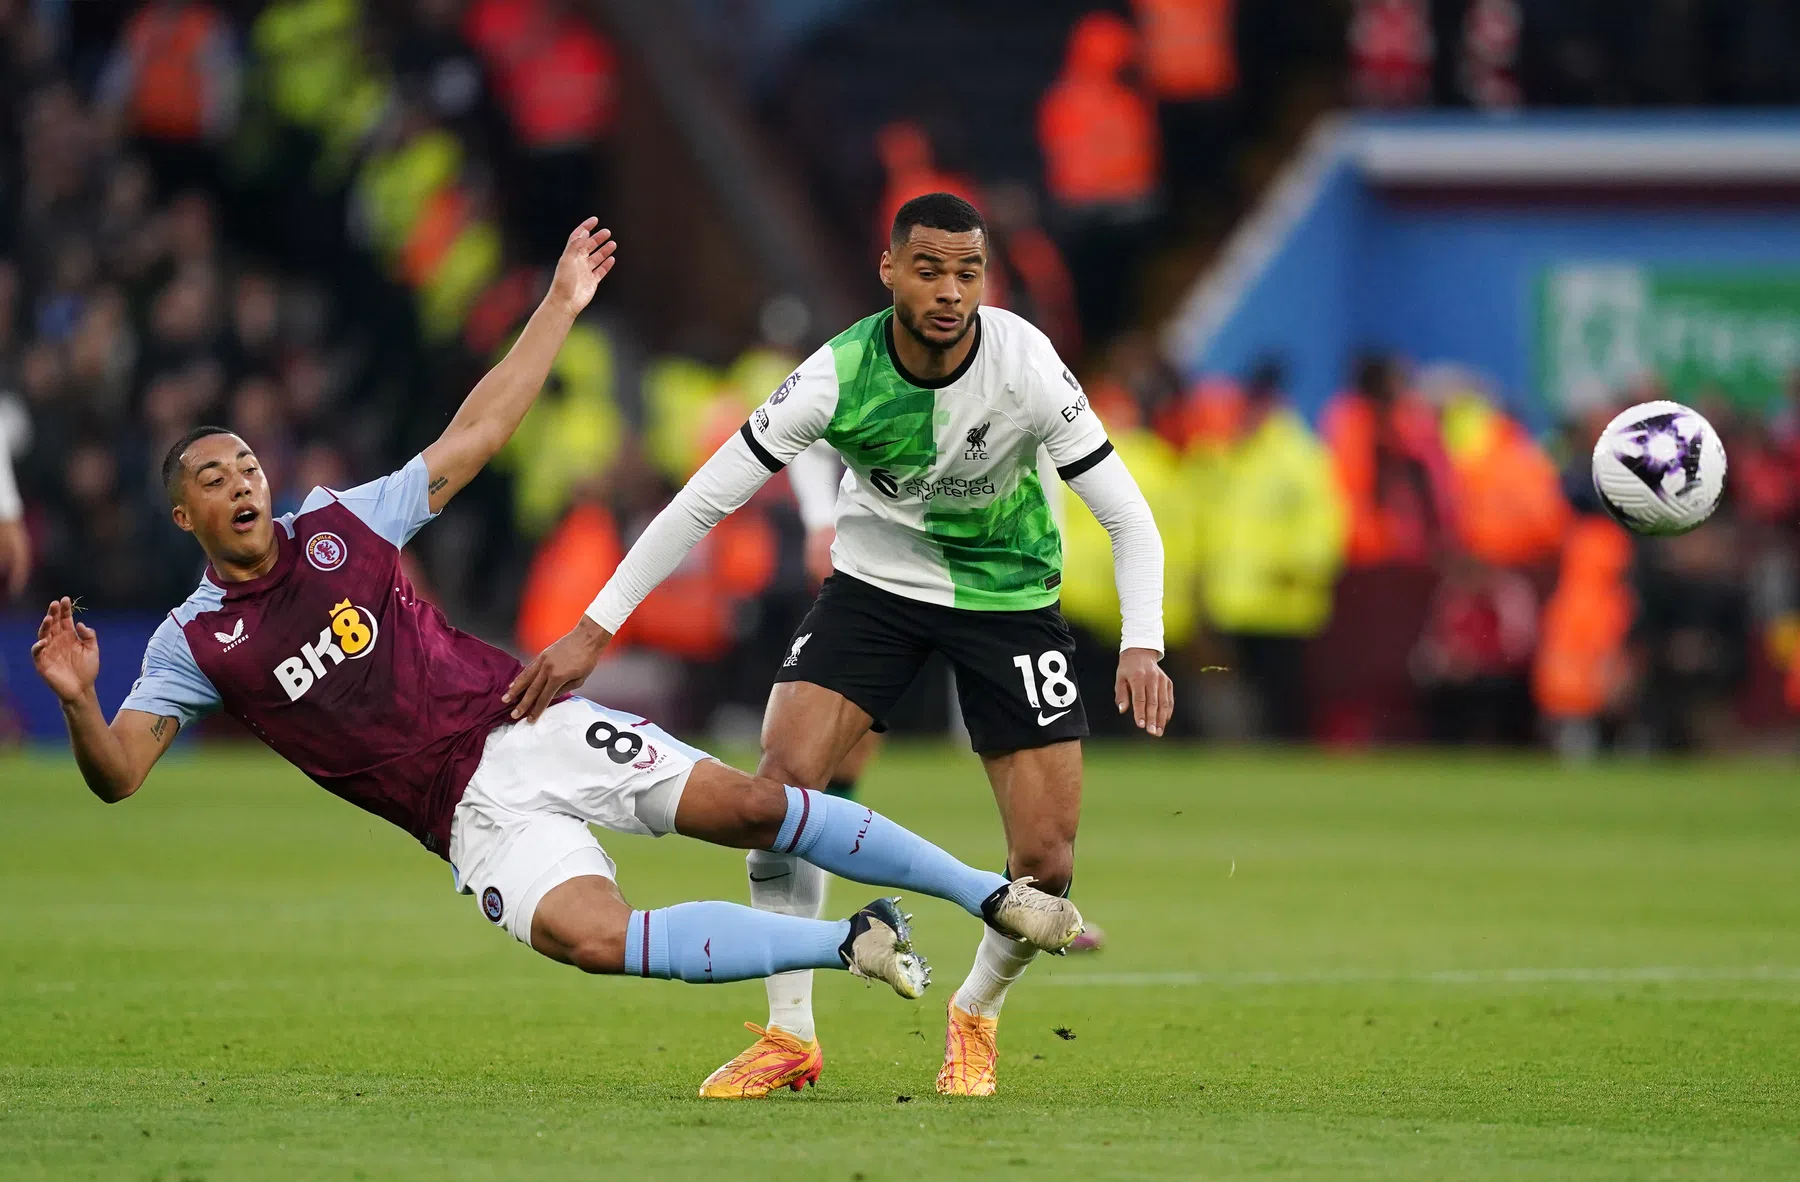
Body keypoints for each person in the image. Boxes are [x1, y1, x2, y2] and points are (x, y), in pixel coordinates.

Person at [28, 220, 1083, 1036]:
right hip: (465, 815)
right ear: (187, 517)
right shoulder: (191, 642)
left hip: (526, 721)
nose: (242, 481)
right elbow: (119, 774)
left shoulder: (342, 524)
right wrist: (78, 700)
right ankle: (846, 943)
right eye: (215, 478)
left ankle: (989, 894)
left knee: (756, 805)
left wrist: (561, 304)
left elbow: (477, 432)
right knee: (591, 940)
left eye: (248, 464)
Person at [510, 194, 1171, 1098]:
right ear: (889, 269)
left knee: (1047, 865)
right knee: (772, 798)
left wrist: (1143, 643)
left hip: (1010, 598)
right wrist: (595, 628)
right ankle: (790, 1036)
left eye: (968, 273)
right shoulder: (836, 376)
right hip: (876, 593)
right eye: (930, 269)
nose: (950, 291)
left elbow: (1129, 518)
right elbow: (704, 500)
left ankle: (974, 1011)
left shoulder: (1025, 362)